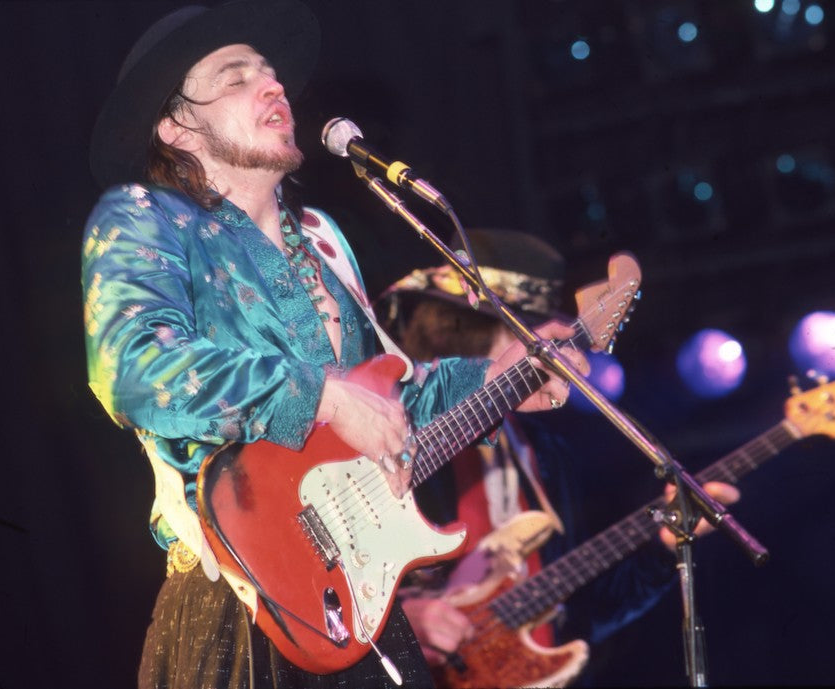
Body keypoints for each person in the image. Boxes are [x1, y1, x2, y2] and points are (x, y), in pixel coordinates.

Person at [80, 2, 588, 688]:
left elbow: (386, 401)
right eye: (236, 78)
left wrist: (503, 375)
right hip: (242, 602)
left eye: (272, 75)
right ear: (177, 125)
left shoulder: (320, 238)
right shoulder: (148, 218)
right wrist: (318, 395)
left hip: (363, 602)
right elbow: (133, 369)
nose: (273, 87)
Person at [376, 228, 740, 687]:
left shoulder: (545, 455)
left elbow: (581, 615)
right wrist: (403, 622)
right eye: (524, 331)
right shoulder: (397, 438)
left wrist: (663, 551)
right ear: (462, 330)